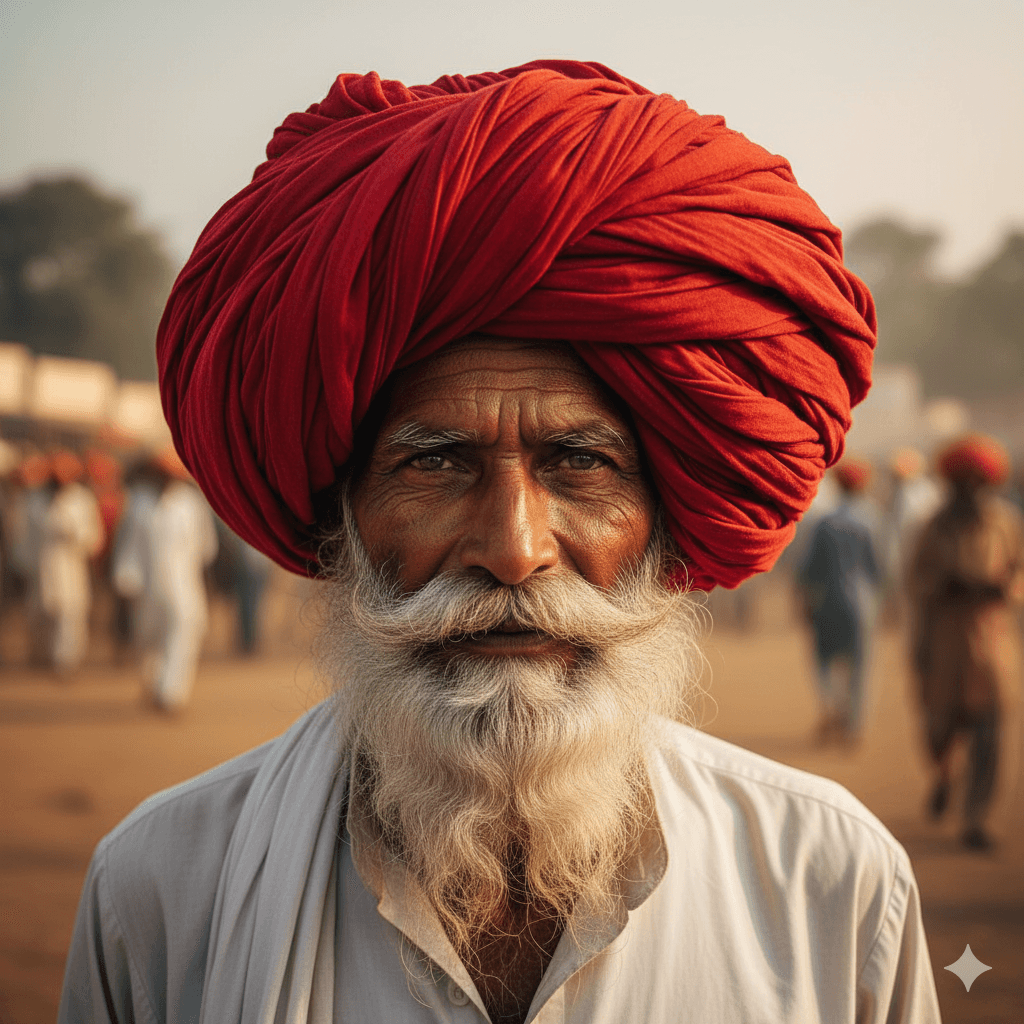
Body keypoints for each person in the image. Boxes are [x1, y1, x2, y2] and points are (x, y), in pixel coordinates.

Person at [59, 62, 940, 1023]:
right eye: (435, 465)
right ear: (340, 517)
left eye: (580, 464)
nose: (514, 549)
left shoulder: (833, 885)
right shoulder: (156, 896)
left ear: (663, 514)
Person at [908, 434, 1024, 852]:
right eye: (961, 482)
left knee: (991, 736)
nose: (969, 490)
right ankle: (944, 775)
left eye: (976, 482)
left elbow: (1018, 576)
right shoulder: (931, 527)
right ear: (949, 483)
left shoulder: (1006, 524)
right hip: (943, 646)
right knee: (940, 732)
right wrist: (944, 586)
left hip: (992, 648)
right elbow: (915, 579)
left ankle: (979, 818)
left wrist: (1004, 590)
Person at [797, 458, 883, 745]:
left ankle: (832, 710)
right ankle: (854, 725)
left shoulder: (825, 523)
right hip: (863, 604)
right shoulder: (872, 521)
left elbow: (808, 569)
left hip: (828, 601)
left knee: (824, 661)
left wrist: (805, 601)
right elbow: (880, 567)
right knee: (859, 666)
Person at [144, 447, 219, 712]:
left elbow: (206, 545)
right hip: (147, 583)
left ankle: (171, 692)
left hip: (185, 582)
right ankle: (154, 683)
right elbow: (132, 543)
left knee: (184, 630)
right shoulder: (140, 502)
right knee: (151, 635)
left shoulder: (191, 503)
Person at [39, 449, 104, 674]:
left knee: (71, 613)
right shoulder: (39, 497)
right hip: (43, 566)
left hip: (72, 566)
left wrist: (73, 534)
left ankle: (66, 661)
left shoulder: (82, 499)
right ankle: (44, 656)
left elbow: (94, 538)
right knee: (45, 612)